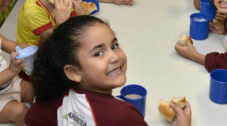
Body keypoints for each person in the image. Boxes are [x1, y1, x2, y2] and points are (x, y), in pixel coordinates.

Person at [25, 15, 192, 126]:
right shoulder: (124, 116)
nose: (114, 57)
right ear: (73, 72)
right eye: (98, 53)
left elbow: (31, 118)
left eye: (114, 45)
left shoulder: (60, 99)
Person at [0, 34, 34, 126]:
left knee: (34, 90)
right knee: (19, 112)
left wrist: (28, 49)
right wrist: (11, 71)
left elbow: (14, 46)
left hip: (10, 83)